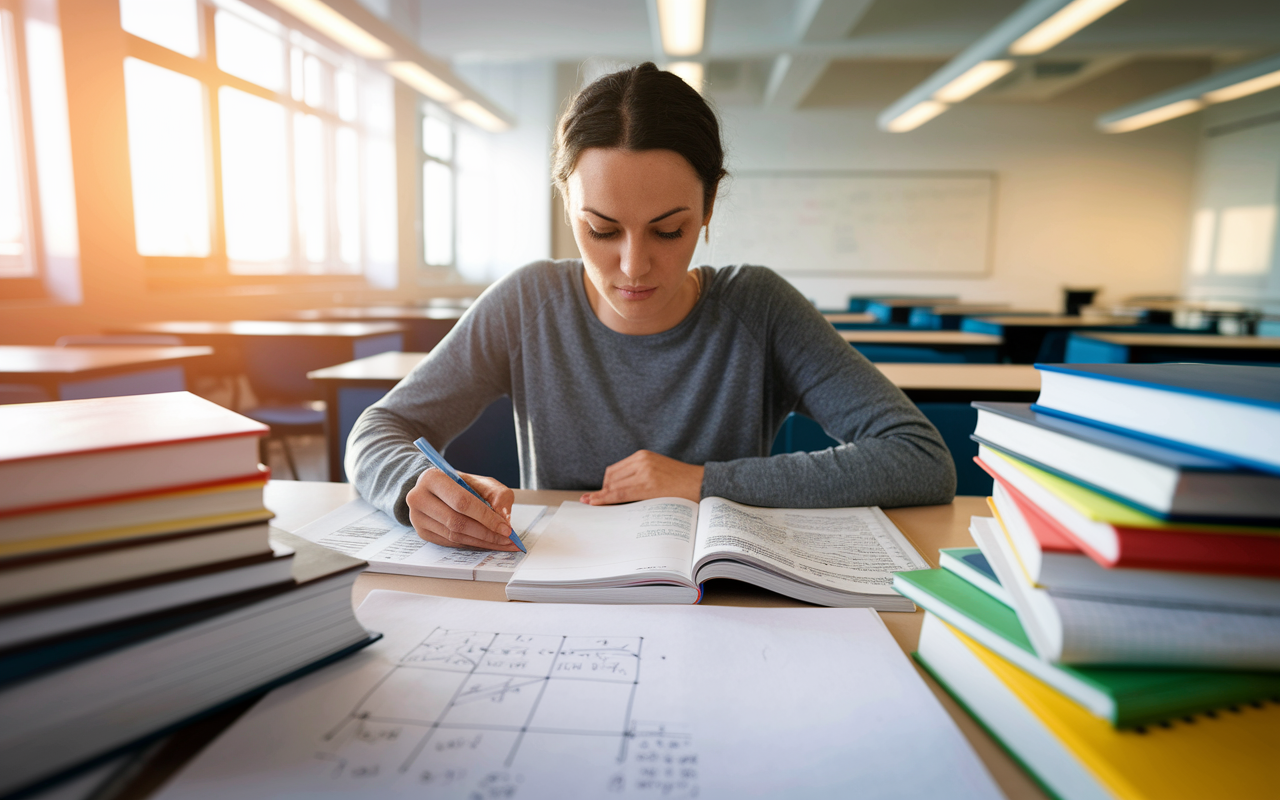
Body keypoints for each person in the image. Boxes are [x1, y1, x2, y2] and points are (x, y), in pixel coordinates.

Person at [346, 62, 955, 553]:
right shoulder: (527, 302)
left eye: (668, 231)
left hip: (722, 601)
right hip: (549, 592)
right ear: (567, 205)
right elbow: (378, 430)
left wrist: (703, 481)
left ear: (710, 205)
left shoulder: (759, 306)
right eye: (602, 230)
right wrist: (413, 487)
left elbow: (920, 458)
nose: (634, 266)